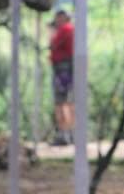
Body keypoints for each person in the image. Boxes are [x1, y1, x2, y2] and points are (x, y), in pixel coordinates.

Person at [48, 9, 74, 146]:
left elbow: (52, 45)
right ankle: (68, 132)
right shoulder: (70, 29)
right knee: (66, 101)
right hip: (67, 68)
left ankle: (63, 133)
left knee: (61, 101)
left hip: (62, 69)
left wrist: (51, 32)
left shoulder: (65, 30)